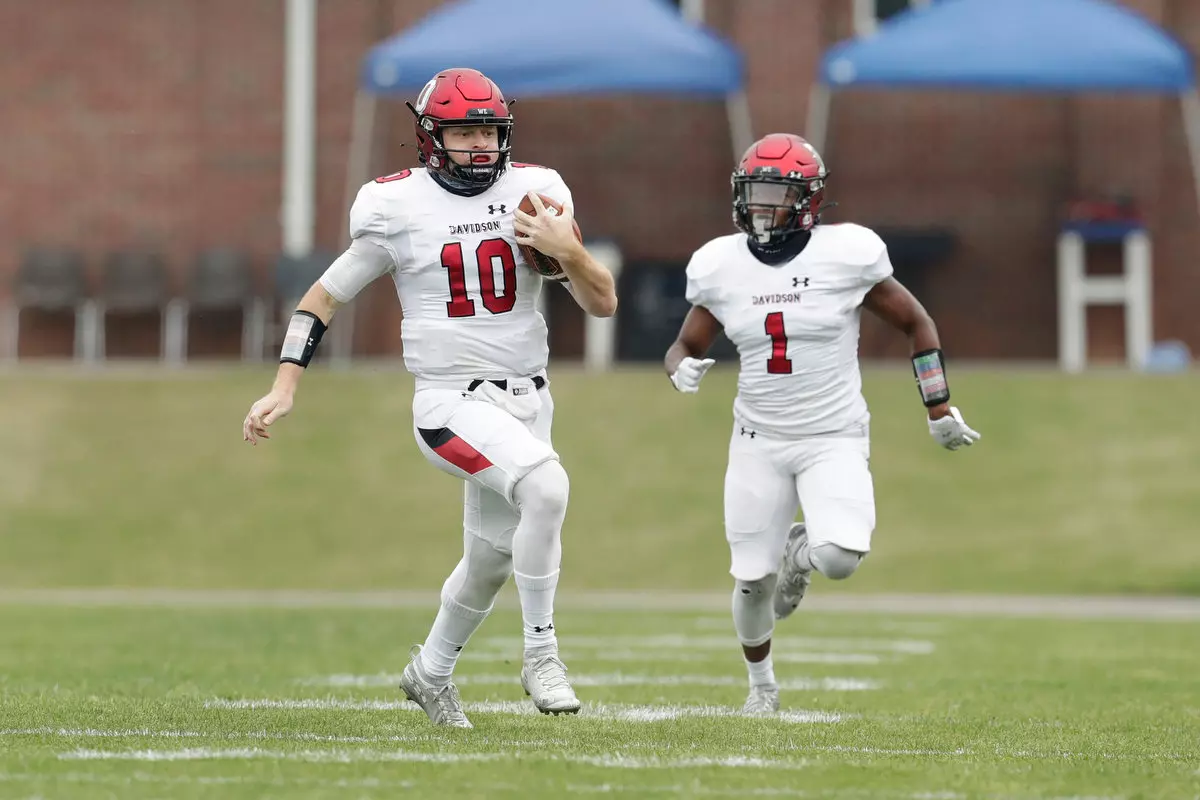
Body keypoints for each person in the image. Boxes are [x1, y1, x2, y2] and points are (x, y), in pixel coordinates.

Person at [241, 67, 618, 728]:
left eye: (489, 132)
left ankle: (431, 672)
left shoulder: (535, 194)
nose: (479, 145)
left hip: (529, 400)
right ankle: (542, 654)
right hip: (450, 404)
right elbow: (323, 298)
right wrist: (284, 383)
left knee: (490, 561)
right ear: (429, 137)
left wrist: (570, 253)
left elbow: (603, 303)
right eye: (464, 132)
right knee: (547, 488)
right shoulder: (397, 206)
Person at [663, 133, 979, 715]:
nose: (761, 206)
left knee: (839, 557)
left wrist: (938, 406)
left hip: (832, 436)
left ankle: (800, 553)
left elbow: (918, 323)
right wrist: (679, 367)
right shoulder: (720, 265)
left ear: (807, 200)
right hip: (758, 440)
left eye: (776, 194)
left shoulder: (846, 255)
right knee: (751, 580)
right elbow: (685, 343)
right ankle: (761, 687)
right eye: (754, 192)